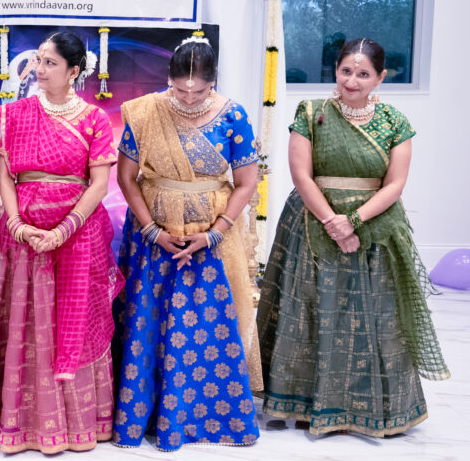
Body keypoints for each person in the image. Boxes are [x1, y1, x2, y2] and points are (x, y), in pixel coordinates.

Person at [257, 37, 449, 436]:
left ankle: (372, 407)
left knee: (376, 317)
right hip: (311, 222)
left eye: (363, 74)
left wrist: (354, 221)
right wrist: (333, 221)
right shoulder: (310, 112)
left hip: (374, 227)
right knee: (308, 310)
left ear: (380, 77)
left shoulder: (395, 121)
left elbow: (395, 184)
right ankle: (299, 401)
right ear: (336, 71)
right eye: (346, 71)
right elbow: (300, 174)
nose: (353, 81)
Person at [111, 34, 260, 450]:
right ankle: (147, 413)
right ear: (168, 79)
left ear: (214, 81)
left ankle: (206, 419)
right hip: (153, 233)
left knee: (207, 322)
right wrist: (151, 230)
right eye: (180, 89)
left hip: (212, 234)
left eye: (200, 90)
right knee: (149, 319)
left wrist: (216, 231)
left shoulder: (234, 115)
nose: (190, 98)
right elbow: (126, 177)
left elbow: (247, 181)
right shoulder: (145, 112)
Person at [0, 32, 123, 454]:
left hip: (79, 234)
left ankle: (80, 423)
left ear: (74, 72)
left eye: (49, 63)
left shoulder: (95, 119)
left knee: (74, 321)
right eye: (38, 61)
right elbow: (6, 178)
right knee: (27, 320)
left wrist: (64, 229)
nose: (39, 69)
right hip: (23, 231)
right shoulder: (14, 114)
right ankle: (23, 423)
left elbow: (100, 184)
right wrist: (16, 223)